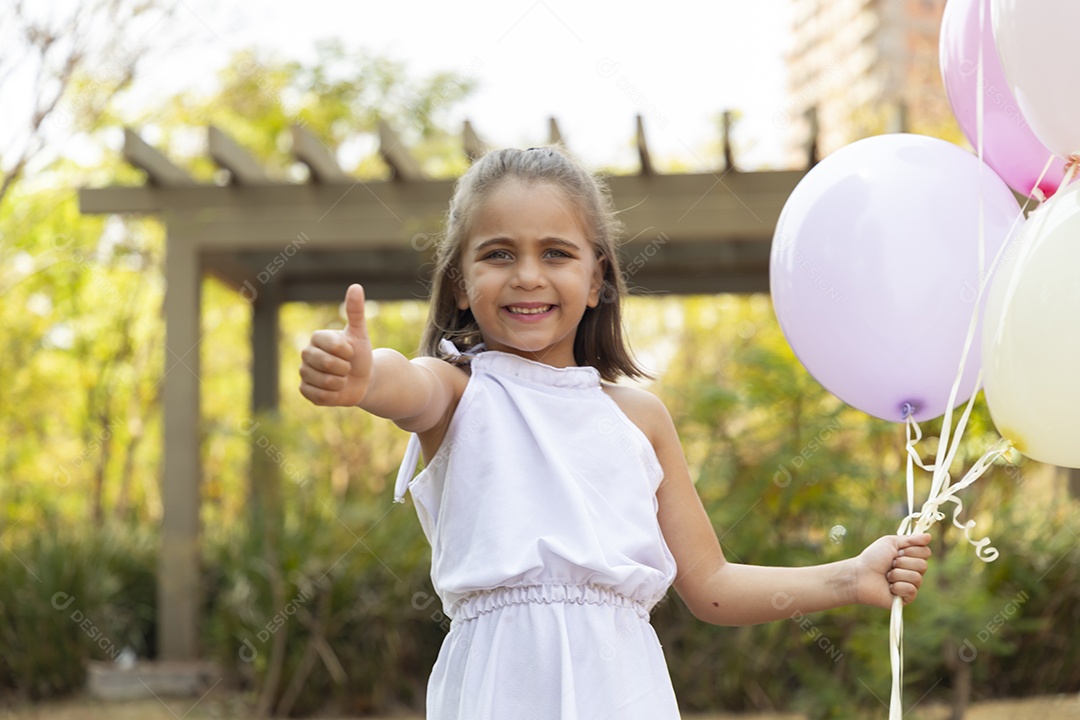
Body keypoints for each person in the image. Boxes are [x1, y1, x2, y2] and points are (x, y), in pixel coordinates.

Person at [298, 146, 932, 718]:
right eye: (498, 254)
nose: (527, 275)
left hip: (624, 692)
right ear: (461, 284)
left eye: (556, 252)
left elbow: (711, 588)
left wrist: (849, 577)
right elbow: (404, 383)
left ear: (596, 278)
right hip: (499, 690)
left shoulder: (640, 418)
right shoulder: (458, 392)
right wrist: (363, 376)